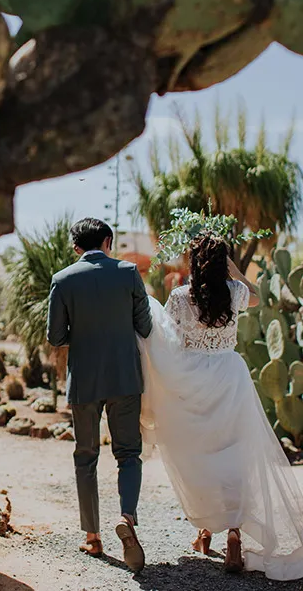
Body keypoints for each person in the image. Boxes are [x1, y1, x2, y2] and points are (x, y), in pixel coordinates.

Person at [140, 233, 303, 579]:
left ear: (194, 264)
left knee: (203, 456)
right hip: (230, 376)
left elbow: (168, 339)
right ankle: (233, 534)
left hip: (194, 379)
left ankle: (205, 531)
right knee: (235, 455)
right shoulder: (235, 292)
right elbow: (257, 297)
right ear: (222, 263)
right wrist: (236, 271)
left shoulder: (180, 297)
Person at [47, 218, 153, 573]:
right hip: (125, 377)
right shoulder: (128, 272)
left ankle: (92, 536)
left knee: (85, 457)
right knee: (128, 454)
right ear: (108, 240)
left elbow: (56, 337)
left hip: (84, 382)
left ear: (76, 247)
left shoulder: (62, 280)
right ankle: (126, 517)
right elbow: (145, 326)